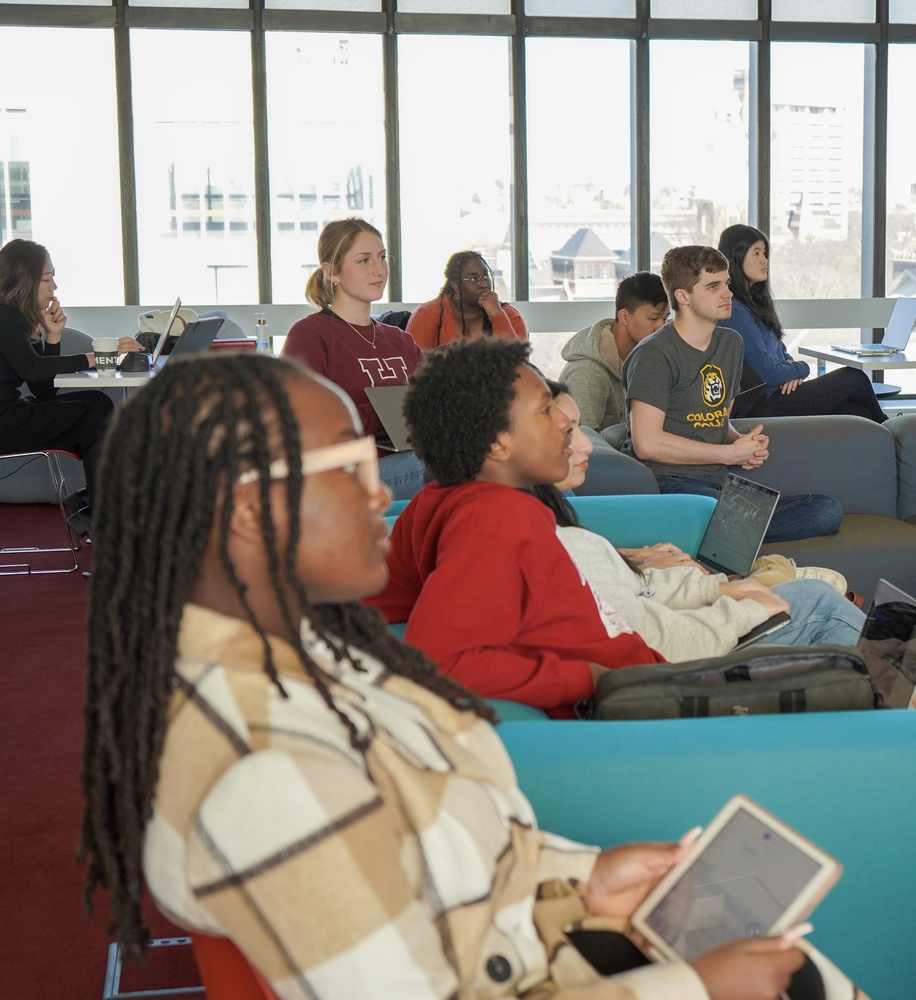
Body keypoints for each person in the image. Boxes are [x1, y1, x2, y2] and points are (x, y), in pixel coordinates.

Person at [78, 351, 849, 999]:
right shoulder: (267, 775)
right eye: (350, 470)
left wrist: (581, 880)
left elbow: (436, 856)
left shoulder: (310, 662)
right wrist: (695, 989)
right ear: (249, 512)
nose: (383, 495)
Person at [539, 379, 916, 742]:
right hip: (678, 663)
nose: (583, 442)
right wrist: (741, 601)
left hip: (682, 627)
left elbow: (637, 603)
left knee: (835, 606)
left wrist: (704, 585)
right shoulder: (554, 544)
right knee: (818, 599)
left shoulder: (558, 531)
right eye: (568, 431)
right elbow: (657, 636)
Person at [370, 337, 671, 716]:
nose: (564, 421)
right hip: (635, 706)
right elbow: (439, 660)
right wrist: (590, 678)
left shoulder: (453, 498)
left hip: (644, 684)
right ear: (497, 444)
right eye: (545, 411)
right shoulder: (493, 519)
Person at [622, 246, 842, 543]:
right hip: (667, 483)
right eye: (714, 286)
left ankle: (726, 532)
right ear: (682, 296)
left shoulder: (730, 344)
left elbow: (714, 420)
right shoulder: (654, 354)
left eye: (726, 284)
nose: (728, 294)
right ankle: (725, 531)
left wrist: (740, 442)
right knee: (719, 514)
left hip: (717, 483)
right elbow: (646, 443)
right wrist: (729, 454)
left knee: (826, 509)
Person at [0, 238, 142, 530]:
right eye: (47, 279)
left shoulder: (14, 317)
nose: (54, 288)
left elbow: (43, 389)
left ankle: (96, 504)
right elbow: (33, 369)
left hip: (10, 413)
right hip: (5, 421)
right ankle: (105, 512)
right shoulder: (5, 315)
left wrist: (53, 337)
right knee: (94, 414)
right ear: (24, 280)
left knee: (98, 402)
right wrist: (97, 356)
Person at [281, 218, 426, 501]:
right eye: (364, 260)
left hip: (410, 457)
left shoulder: (400, 339)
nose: (379, 269)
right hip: (342, 478)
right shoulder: (310, 335)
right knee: (437, 467)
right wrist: (384, 414)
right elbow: (307, 427)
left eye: (382, 257)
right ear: (332, 272)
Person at [717, 225, 887, 423]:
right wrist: (802, 368)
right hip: (769, 402)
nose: (764, 260)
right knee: (854, 379)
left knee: (859, 413)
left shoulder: (754, 305)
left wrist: (789, 374)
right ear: (735, 257)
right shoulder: (736, 312)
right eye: (756, 253)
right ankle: (893, 436)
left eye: (764, 253)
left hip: (783, 391)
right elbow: (768, 374)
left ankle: (885, 441)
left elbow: (782, 353)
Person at [560, 271, 671, 431]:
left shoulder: (650, 357)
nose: (661, 327)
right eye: (653, 319)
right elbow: (580, 441)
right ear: (624, 317)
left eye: (665, 319)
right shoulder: (587, 373)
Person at [406, 250, 527, 350]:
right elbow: (413, 367)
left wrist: (497, 315)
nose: (483, 284)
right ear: (456, 286)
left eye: (486, 276)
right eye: (473, 279)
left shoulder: (510, 315)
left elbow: (521, 369)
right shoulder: (427, 314)